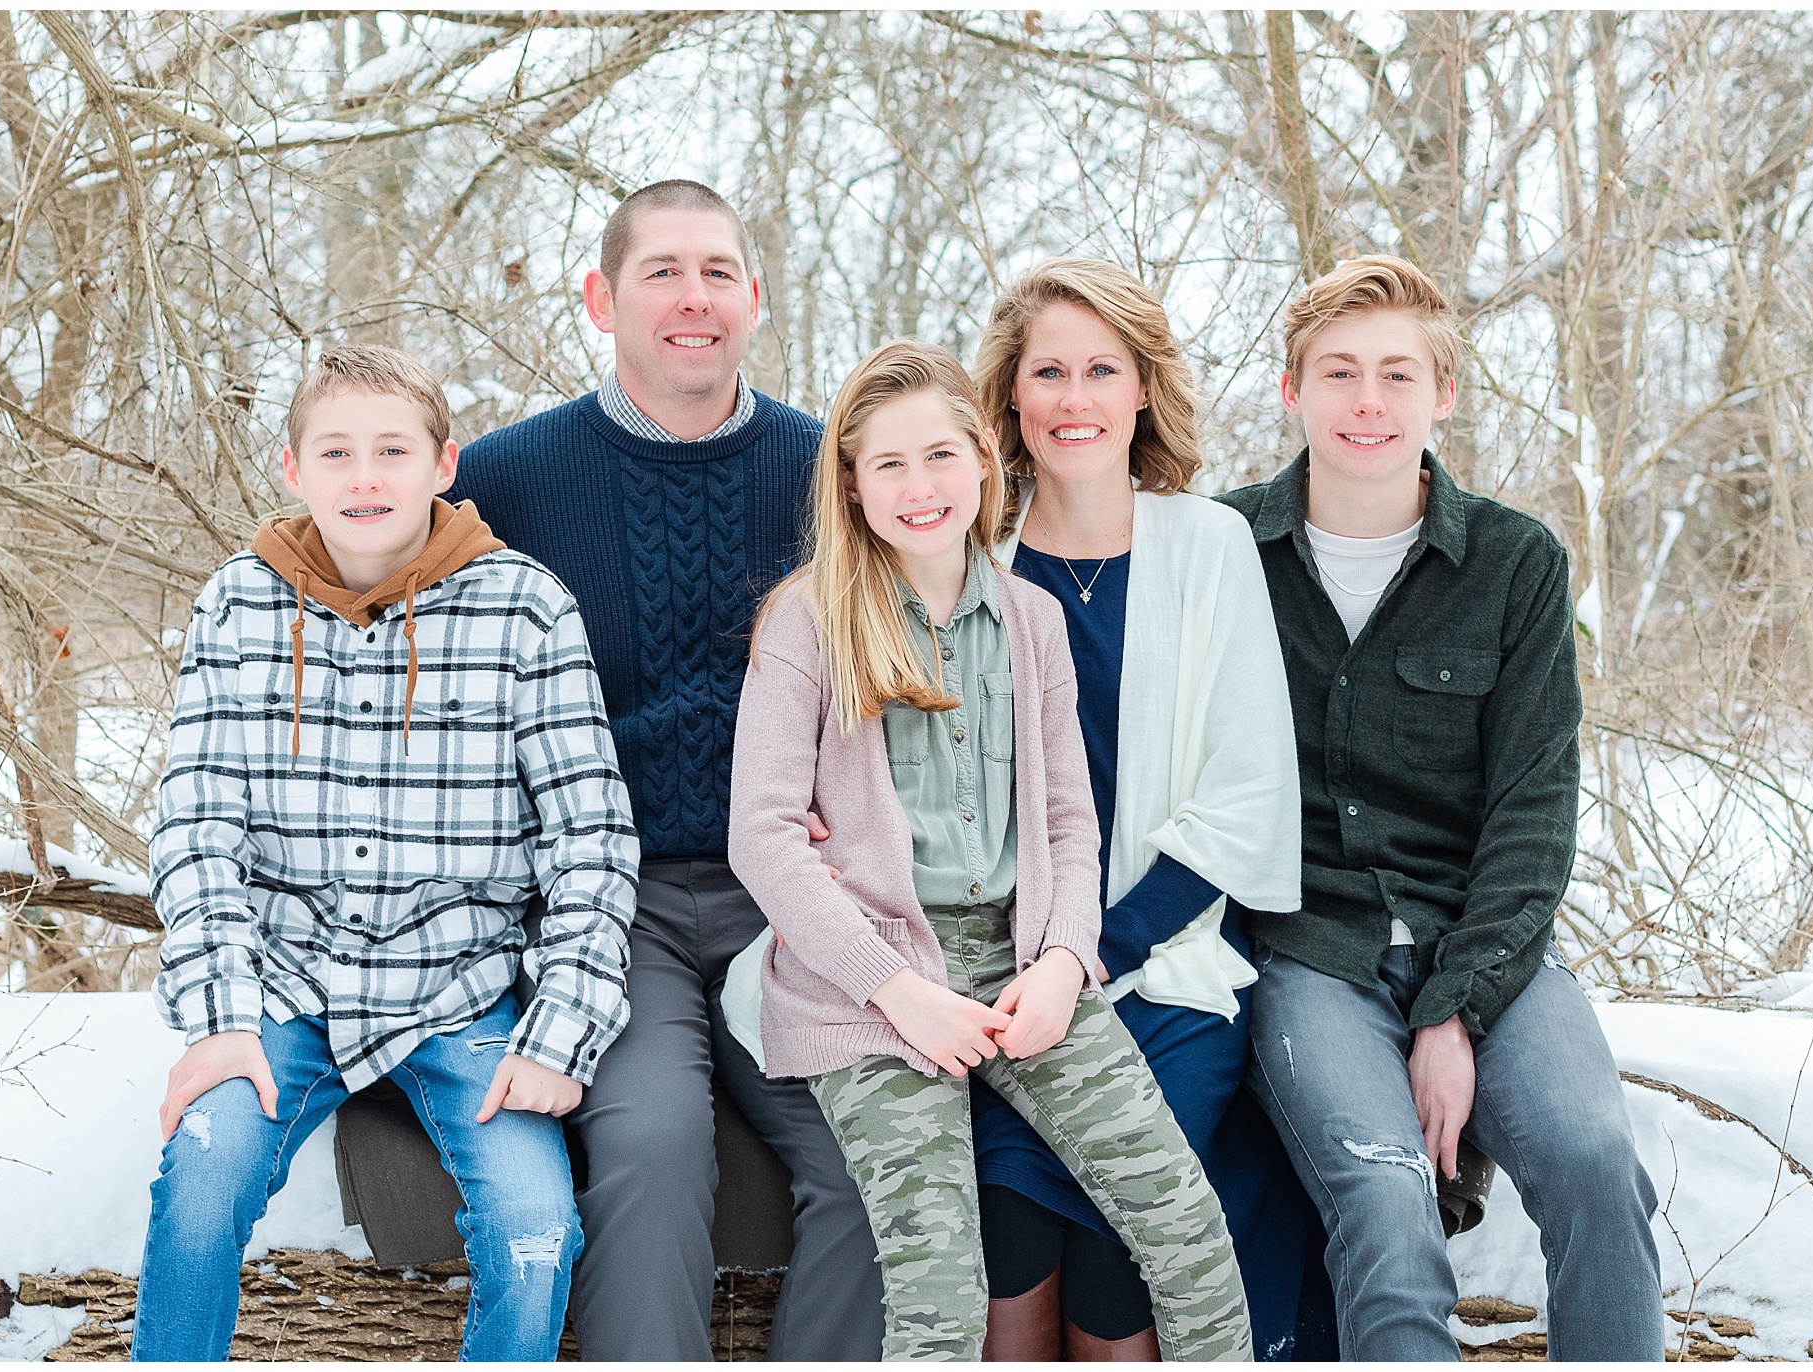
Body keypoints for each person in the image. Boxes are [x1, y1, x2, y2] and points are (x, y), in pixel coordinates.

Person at [729, 338, 1254, 1362]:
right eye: (887, 464)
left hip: (1022, 965)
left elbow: (1067, 821)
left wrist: (1063, 962)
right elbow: (764, 838)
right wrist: (898, 990)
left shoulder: (1030, 621)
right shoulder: (807, 622)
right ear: (850, 482)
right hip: (871, 989)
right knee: (940, 1288)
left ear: (982, 459)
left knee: (1185, 1231)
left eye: (938, 457)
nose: (919, 487)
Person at [444, 180, 884, 1360]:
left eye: (715, 272)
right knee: (649, 1142)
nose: (692, 298)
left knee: (875, 1151)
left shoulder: (831, 474)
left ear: (755, 296)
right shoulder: (506, 479)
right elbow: (359, 549)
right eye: (660, 272)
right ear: (600, 298)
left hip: (788, 893)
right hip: (606, 900)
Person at [133, 345, 637, 1361]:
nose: (365, 477)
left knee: (536, 1227)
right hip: (281, 984)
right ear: (292, 468)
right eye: (337, 451)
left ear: (444, 463)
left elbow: (590, 839)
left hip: (461, 989)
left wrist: (558, 1033)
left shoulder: (525, 608)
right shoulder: (238, 604)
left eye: (392, 450)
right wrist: (220, 1017)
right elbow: (196, 824)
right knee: (200, 1173)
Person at [1216, 255, 1665, 1360]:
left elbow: (1531, 817)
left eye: (1395, 375)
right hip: (1309, 955)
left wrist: (1452, 1010)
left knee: (1596, 1167)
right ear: (1290, 390)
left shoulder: (1514, 564)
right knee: (1381, 1207)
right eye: (1337, 373)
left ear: (1442, 395)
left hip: (1490, 954)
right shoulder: (1222, 551)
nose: (1367, 402)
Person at [965, 257, 1334, 1361]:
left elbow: (1244, 793)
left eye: (1099, 370)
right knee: (1010, 1250)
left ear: (1140, 391)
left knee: (1113, 1266)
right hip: (1007, 988)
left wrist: (1093, 953)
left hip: (1164, 975)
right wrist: (1033, 970)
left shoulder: (1207, 546)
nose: (1073, 399)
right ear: (1011, 401)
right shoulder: (972, 566)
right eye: (1047, 373)